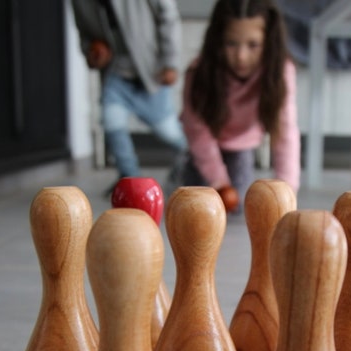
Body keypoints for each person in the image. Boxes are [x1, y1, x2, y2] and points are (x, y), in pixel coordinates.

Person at [179, 0, 300, 210]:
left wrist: (287, 190)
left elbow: (285, 133)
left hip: (242, 145)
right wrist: (219, 182)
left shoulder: (281, 72)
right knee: (196, 205)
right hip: (205, 144)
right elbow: (198, 132)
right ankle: (181, 165)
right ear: (218, 40)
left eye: (253, 45)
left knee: (239, 207)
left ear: (268, 42)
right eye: (231, 44)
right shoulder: (199, 73)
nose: (241, 57)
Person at [71, 0, 188, 196]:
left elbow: (168, 16)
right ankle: (130, 181)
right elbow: (85, 36)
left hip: (150, 73)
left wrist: (170, 61)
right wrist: (92, 53)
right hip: (115, 73)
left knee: (170, 132)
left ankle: (191, 164)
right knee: (111, 121)